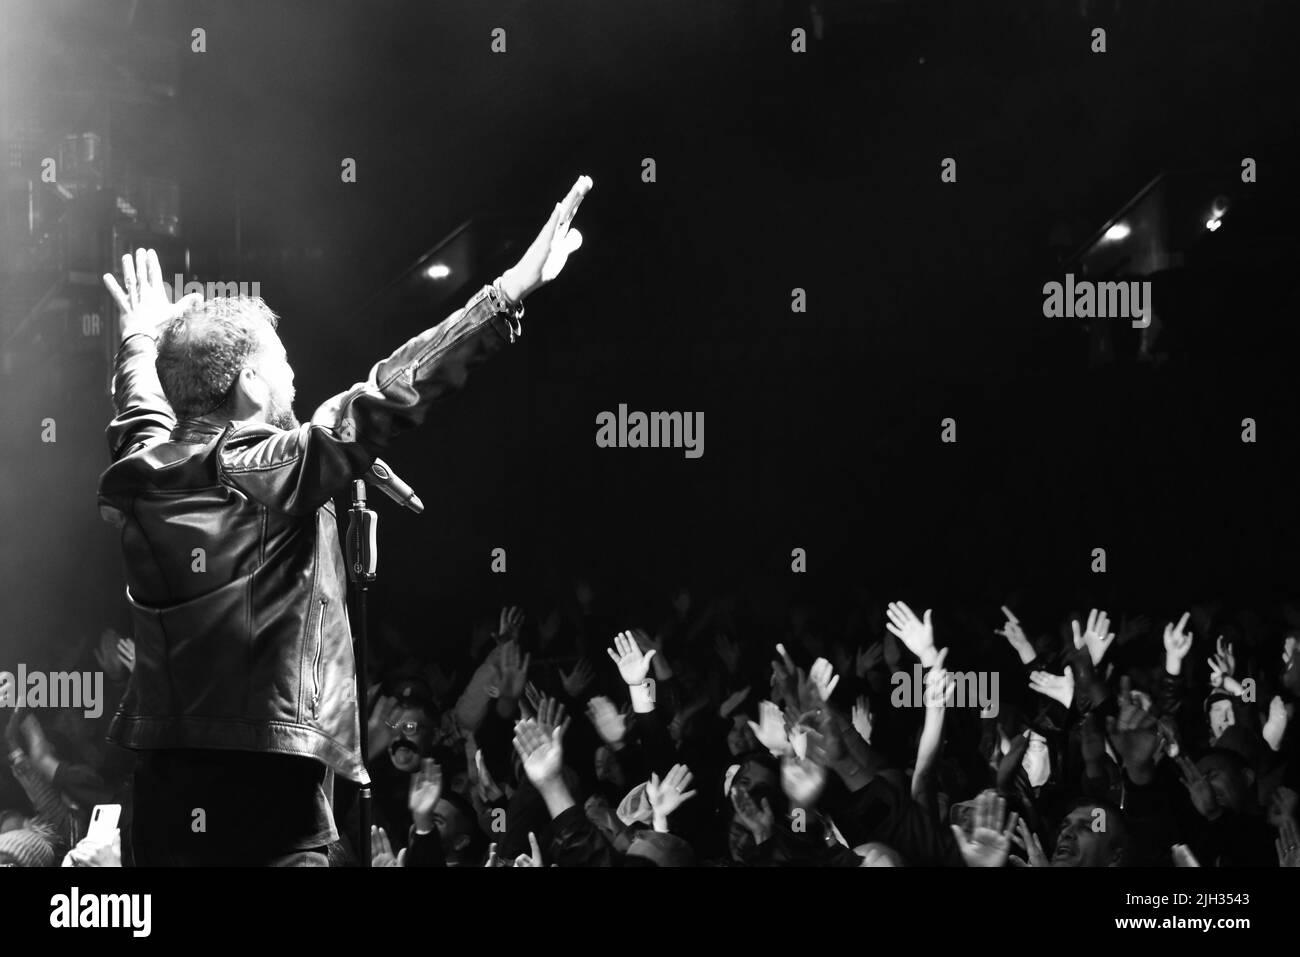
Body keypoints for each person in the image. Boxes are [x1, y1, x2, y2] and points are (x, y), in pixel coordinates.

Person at [95, 176, 593, 866]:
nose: (295, 376)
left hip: (156, 806)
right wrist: (506, 293)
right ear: (249, 384)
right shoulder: (270, 467)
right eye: (283, 364)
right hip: (266, 807)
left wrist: (141, 339)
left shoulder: (140, 466)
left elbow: (141, 408)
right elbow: (384, 396)